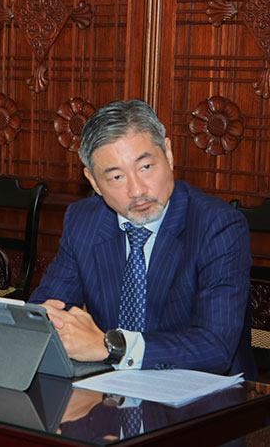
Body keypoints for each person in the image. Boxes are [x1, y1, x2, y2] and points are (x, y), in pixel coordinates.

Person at [29, 99, 255, 379]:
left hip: (202, 398)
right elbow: (47, 312)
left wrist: (112, 348)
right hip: (111, 393)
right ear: (94, 182)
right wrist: (48, 320)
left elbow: (215, 347)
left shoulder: (217, 225)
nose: (137, 190)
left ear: (168, 154)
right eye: (116, 177)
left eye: (146, 167)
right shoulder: (84, 220)